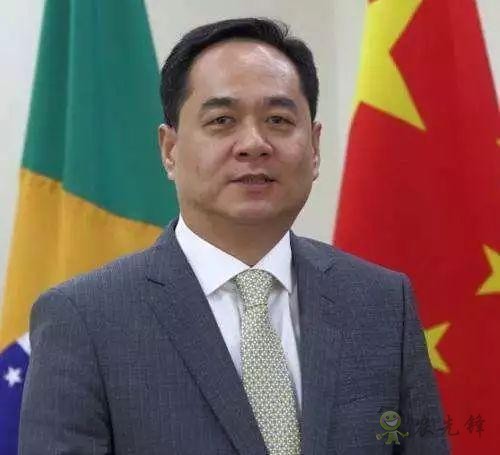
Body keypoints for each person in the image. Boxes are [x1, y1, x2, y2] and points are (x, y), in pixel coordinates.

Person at [19, 18, 449, 455]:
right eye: (222, 120)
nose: (254, 143)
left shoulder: (381, 303)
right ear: (169, 150)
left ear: (314, 148)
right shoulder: (85, 318)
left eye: (278, 120)